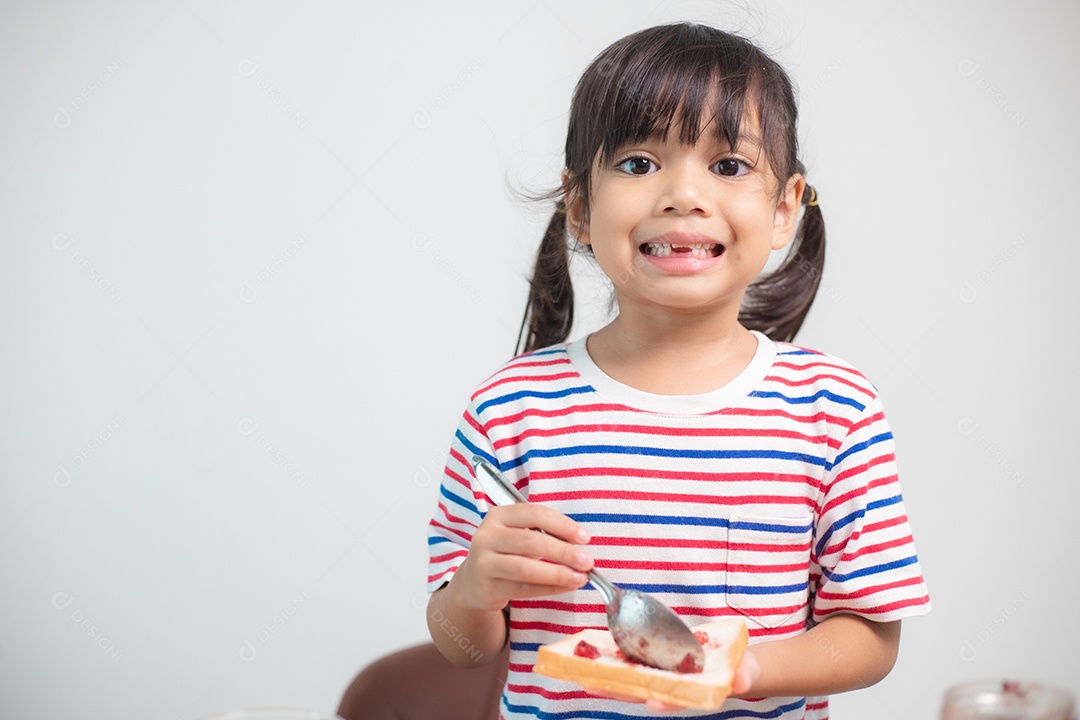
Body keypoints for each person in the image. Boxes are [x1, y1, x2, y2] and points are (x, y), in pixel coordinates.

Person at [425, 21, 930, 720]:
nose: (683, 195)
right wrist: (475, 591)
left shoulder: (832, 409)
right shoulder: (508, 409)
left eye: (728, 166)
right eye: (638, 163)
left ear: (784, 209)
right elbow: (460, 646)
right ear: (579, 206)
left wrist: (742, 668)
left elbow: (872, 637)